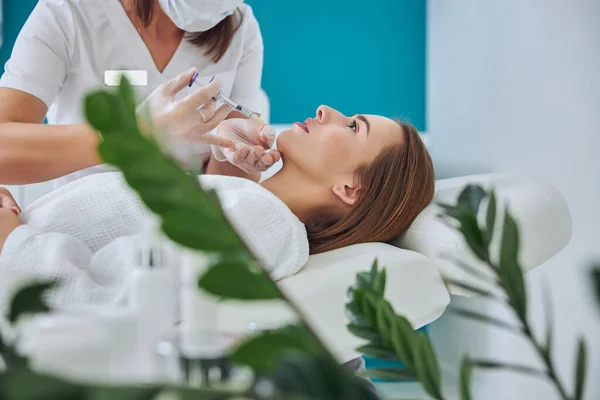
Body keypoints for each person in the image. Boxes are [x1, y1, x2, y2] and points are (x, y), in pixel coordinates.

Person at [0, 105, 435, 308]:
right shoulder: (252, 205)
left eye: (352, 126)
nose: (327, 110)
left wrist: (12, 238)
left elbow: (108, 297)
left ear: (350, 188)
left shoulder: (266, 224)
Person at [0, 0, 272, 186]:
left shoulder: (240, 27)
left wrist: (226, 153)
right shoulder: (68, 12)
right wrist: (134, 134)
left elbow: (236, 192)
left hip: (187, 236)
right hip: (83, 228)